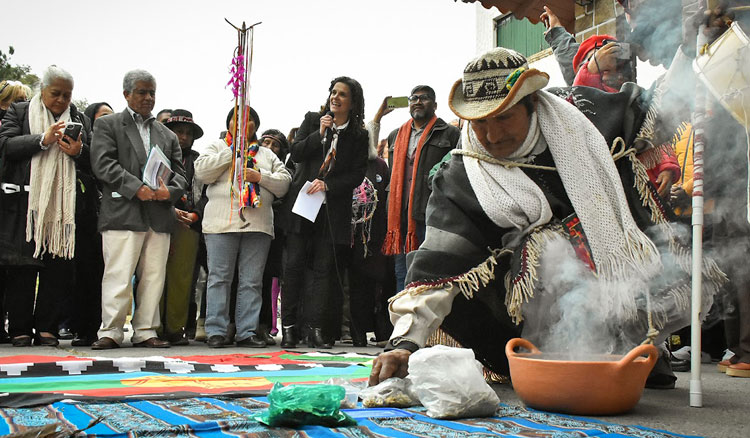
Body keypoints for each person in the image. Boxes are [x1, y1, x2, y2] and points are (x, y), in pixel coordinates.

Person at [369, 47, 725, 386]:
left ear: (532, 105)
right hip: (524, 300)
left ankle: (637, 345)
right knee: (548, 247)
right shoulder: (459, 174)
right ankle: (552, 354)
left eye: (504, 117)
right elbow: (438, 262)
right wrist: (403, 343)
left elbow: (659, 108)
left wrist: (694, 48)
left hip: (617, 269)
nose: (491, 136)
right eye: (479, 123)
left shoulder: (584, 116)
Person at [89, 69, 187, 350]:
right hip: (123, 210)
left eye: (152, 92)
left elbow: (180, 172)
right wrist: (136, 187)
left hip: (159, 213)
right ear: (126, 94)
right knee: (118, 274)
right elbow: (103, 164)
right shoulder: (108, 125)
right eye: (142, 92)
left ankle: (145, 330)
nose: (148, 98)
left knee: (154, 277)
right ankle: (111, 331)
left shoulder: (166, 133)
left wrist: (171, 190)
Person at [0, 66, 93, 347]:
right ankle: (19, 328)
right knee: (22, 270)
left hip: (62, 209)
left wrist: (78, 152)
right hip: (25, 205)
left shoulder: (78, 118)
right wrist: (43, 139)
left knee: (58, 270)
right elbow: (5, 146)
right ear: (42, 90)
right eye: (56, 94)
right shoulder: (19, 112)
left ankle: (46, 328)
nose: (62, 101)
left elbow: (92, 162)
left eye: (67, 95)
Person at [280, 76, 369, 349]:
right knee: (293, 267)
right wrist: (318, 134)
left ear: (352, 102)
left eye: (342, 94)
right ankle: (289, 329)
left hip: (332, 210)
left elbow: (357, 174)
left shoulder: (359, 135)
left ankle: (317, 329)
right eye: (333, 92)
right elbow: (294, 153)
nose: (335, 97)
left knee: (324, 271)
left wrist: (329, 185)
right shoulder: (312, 120)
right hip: (303, 206)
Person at [194, 106, 291, 348]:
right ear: (228, 124)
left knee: (252, 281)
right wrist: (232, 152)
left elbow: (285, 183)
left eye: (248, 121)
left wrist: (260, 178)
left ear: (255, 126)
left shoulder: (267, 155)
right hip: (220, 224)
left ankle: (246, 331)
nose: (242, 124)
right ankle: (216, 330)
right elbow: (202, 172)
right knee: (219, 278)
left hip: (257, 225)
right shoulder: (216, 147)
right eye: (236, 120)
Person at [380, 87, 460, 293]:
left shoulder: (450, 133)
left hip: (431, 212)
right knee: (401, 270)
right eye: (413, 98)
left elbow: (456, 171)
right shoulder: (395, 135)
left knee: (429, 270)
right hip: (400, 216)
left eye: (424, 98)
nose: (418, 101)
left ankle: (427, 321)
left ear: (434, 105)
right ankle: (403, 318)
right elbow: (372, 156)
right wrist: (378, 116)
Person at [159, 109, 207, 346]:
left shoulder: (200, 159)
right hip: (158, 220)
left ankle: (175, 328)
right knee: (154, 275)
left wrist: (196, 213)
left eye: (188, 133)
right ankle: (151, 327)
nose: (184, 137)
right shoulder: (156, 155)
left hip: (189, 223)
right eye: (179, 131)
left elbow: (208, 193)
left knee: (182, 278)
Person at [257, 128, 295, 344]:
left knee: (268, 279)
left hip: (277, 231)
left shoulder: (285, 172)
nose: (269, 148)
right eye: (266, 142)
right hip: (252, 226)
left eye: (275, 145)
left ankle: (265, 326)